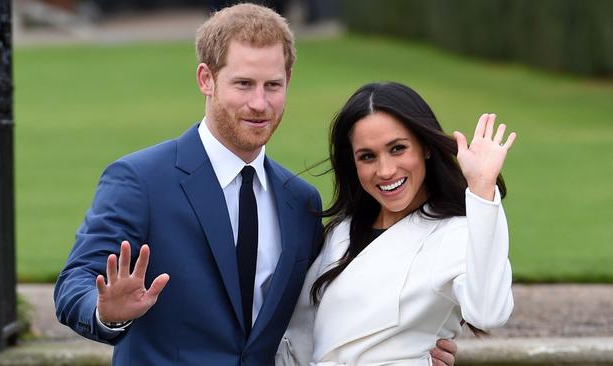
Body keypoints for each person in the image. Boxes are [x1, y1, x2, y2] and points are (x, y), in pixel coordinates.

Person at [54, 4, 457, 365]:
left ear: (288, 81)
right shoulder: (140, 179)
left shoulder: (300, 201)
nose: (260, 104)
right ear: (206, 79)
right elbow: (75, 282)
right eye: (244, 84)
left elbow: (325, 309)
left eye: (273, 86)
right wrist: (107, 313)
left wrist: (409, 347)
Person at [276, 82, 516, 366]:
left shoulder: (455, 233)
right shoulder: (341, 232)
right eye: (367, 156)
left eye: (398, 149)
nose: (386, 170)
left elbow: (489, 312)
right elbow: (300, 337)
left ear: (425, 147)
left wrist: (481, 190)